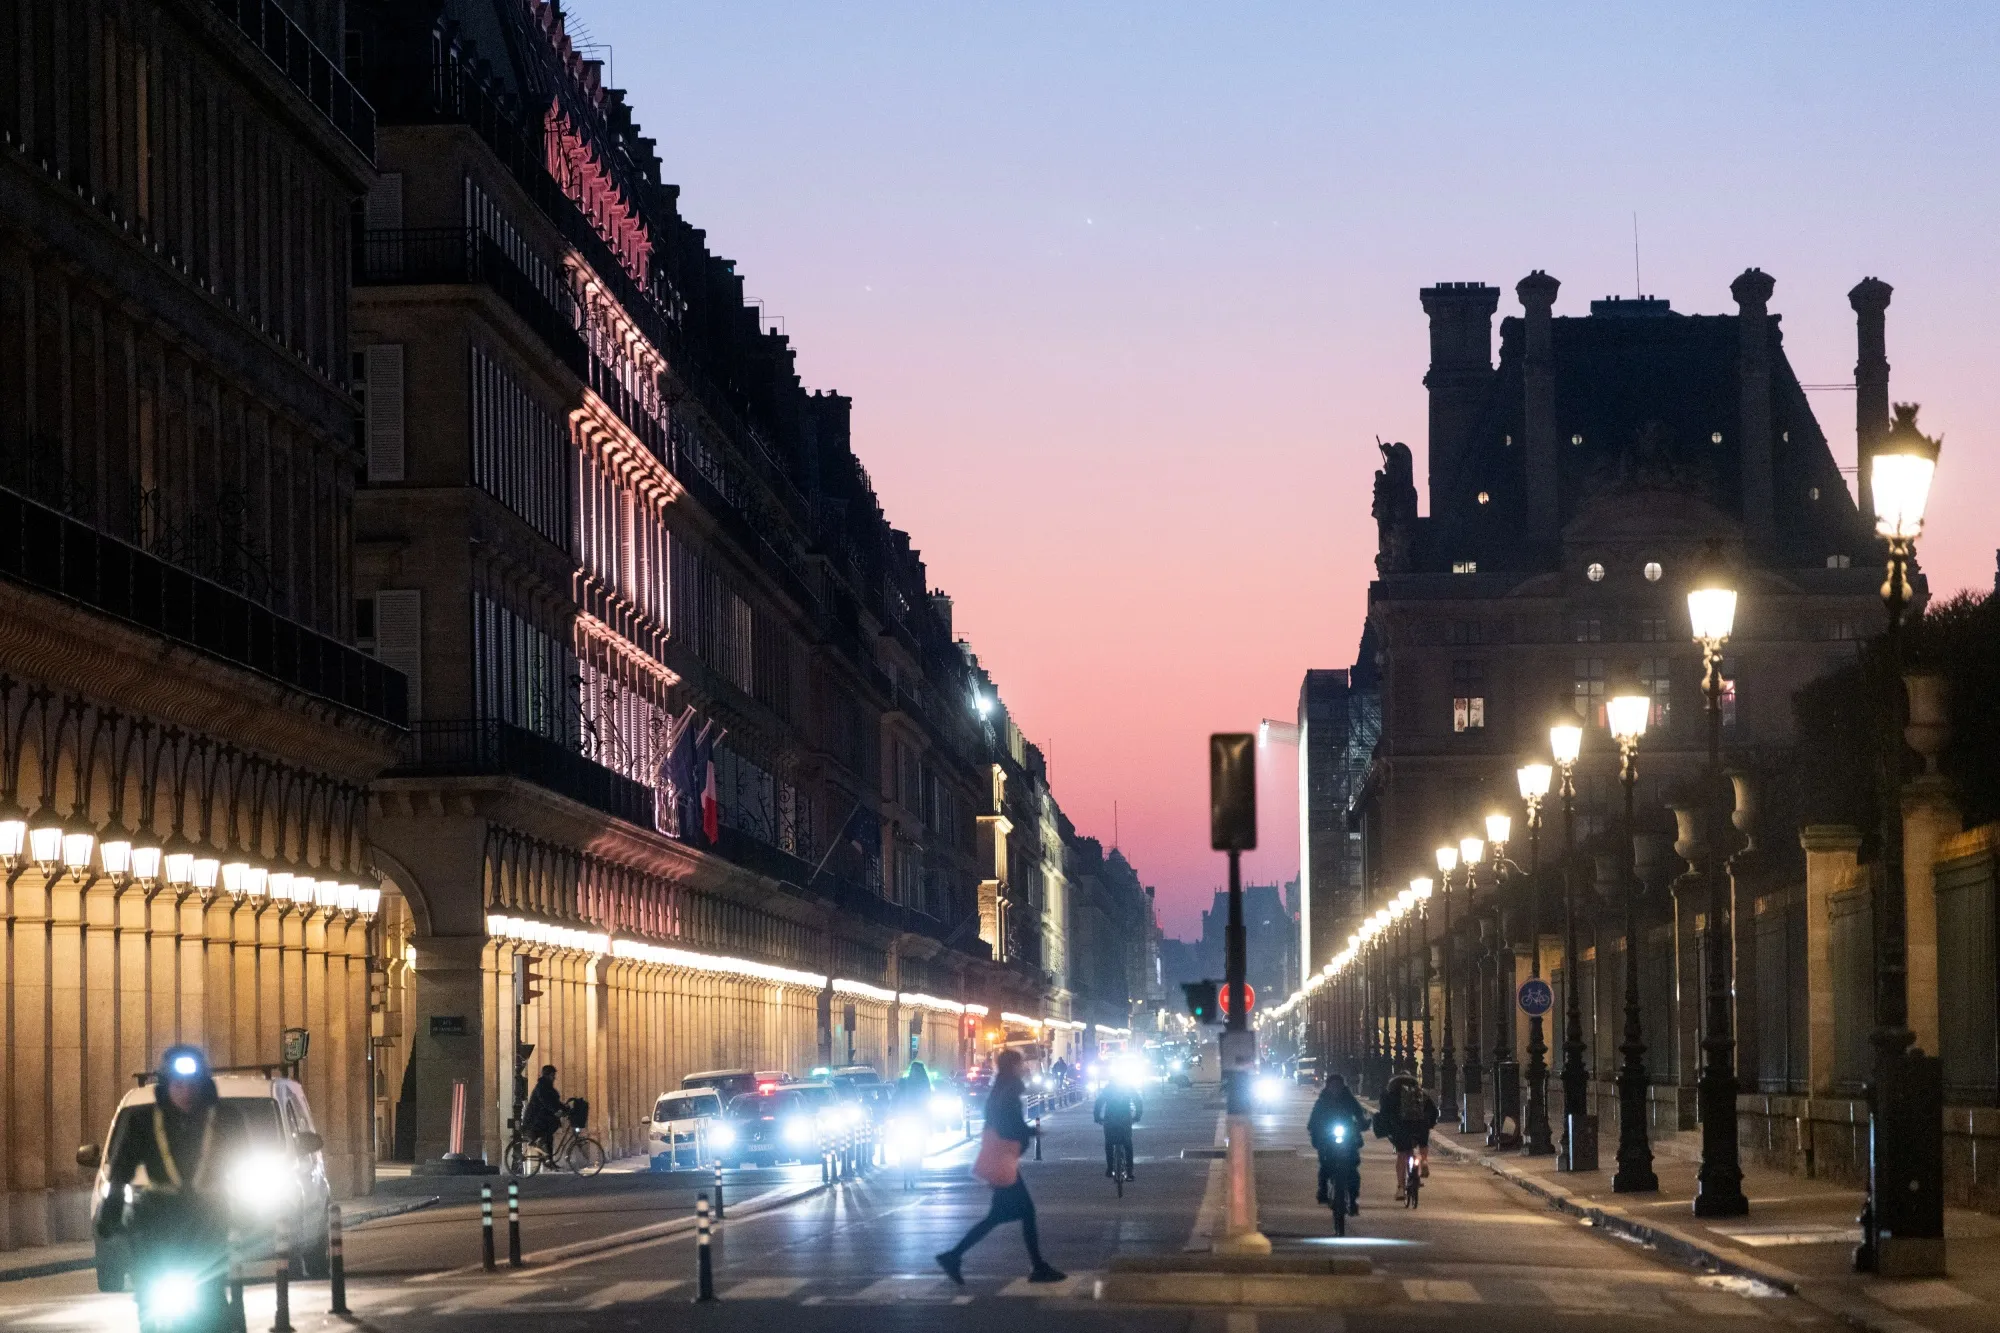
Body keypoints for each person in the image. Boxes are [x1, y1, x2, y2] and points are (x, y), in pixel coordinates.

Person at [99, 1046, 250, 1330]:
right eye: (178, 1085)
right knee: (149, 1294)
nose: (185, 1092)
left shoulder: (226, 1120)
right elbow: (121, 1171)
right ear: (166, 1086)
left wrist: (247, 1213)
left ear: (203, 1086)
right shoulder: (143, 1122)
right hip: (158, 1224)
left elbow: (245, 1167)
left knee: (211, 1300)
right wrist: (111, 1212)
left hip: (206, 1224)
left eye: (192, 1085)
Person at [935, 1049, 1065, 1285]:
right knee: (1024, 1213)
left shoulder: (1000, 1089)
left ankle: (953, 1256)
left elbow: (997, 1122)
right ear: (1012, 1066)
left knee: (999, 1217)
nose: (1023, 1067)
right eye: (1020, 1064)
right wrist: (1029, 1133)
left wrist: (1026, 1132)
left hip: (1000, 1159)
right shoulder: (1009, 1091)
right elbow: (1009, 1125)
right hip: (1003, 1161)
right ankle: (1037, 1267)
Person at [1307, 1073, 1368, 1214]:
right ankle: (1323, 1190)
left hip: (1348, 1138)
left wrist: (1363, 1124)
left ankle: (1353, 1200)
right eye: (1332, 1086)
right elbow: (1314, 1120)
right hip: (1328, 1138)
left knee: (1352, 1170)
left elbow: (1359, 1114)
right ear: (1328, 1087)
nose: (1335, 1088)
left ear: (1342, 1086)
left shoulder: (1349, 1099)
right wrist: (1316, 1132)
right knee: (1325, 1165)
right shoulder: (1322, 1101)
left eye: (1338, 1085)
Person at [1376, 1073, 1438, 1200]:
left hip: (1400, 1128)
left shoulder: (1390, 1095)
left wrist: (1388, 1128)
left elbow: (1384, 1114)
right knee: (1422, 1143)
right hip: (1420, 1127)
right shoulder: (1421, 1094)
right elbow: (1433, 1111)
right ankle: (1424, 1161)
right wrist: (1429, 1124)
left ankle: (1400, 1188)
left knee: (1402, 1154)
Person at [1093, 1076, 1143, 1180]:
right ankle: (1129, 1172)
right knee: (1128, 1144)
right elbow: (1138, 1101)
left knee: (1109, 1144)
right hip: (1125, 1120)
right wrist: (1137, 1116)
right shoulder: (1128, 1088)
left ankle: (1110, 1168)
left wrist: (1097, 1117)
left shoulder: (1108, 1089)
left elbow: (1099, 1103)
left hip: (1110, 1120)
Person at [523, 1065, 564, 1156]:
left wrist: (565, 1108)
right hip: (534, 1118)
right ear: (547, 1075)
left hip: (541, 1116)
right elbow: (546, 1101)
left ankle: (548, 1157)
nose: (554, 1077)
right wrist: (555, 1110)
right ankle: (541, 1144)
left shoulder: (548, 1087)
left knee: (551, 1132)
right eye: (552, 1075)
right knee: (553, 1124)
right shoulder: (541, 1087)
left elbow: (554, 1101)